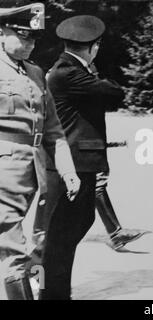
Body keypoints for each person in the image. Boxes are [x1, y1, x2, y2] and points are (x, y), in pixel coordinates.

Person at [38, 15, 127, 300]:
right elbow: (115, 93)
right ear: (93, 46)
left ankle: (55, 289)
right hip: (69, 164)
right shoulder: (70, 72)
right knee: (58, 237)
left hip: (77, 161)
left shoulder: (70, 70)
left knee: (73, 227)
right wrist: (96, 74)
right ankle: (51, 293)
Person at [0, 1, 80, 300]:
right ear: (2, 32)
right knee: (14, 252)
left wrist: (68, 171)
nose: (29, 44)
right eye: (22, 36)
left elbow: (54, 131)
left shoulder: (35, 73)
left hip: (35, 176)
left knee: (39, 247)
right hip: (2, 174)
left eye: (33, 38)